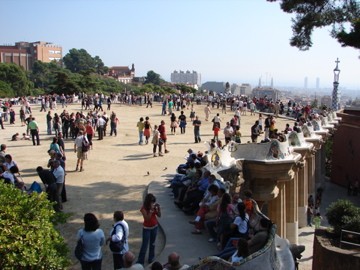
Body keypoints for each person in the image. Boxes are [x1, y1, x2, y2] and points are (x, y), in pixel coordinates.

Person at [137, 193, 161, 265]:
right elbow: (147, 219)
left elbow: (159, 215)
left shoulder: (154, 207)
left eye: (153, 202)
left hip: (154, 227)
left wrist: (158, 209)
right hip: (147, 228)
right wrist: (151, 211)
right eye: (152, 202)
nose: (153, 203)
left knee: (152, 244)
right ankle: (141, 260)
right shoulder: (143, 208)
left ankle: (151, 258)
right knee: (144, 245)